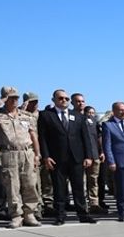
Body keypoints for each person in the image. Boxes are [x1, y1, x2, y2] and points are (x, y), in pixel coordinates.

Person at [36, 89, 98, 225]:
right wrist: (46, 157)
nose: (64, 101)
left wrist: (89, 156)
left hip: (76, 158)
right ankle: (60, 215)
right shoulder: (46, 115)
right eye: (61, 98)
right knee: (59, 188)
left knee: (78, 187)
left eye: (66, 99)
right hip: (57, 158)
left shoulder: (77, 115)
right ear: (53, 100)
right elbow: (43, 138)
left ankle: (83, 214)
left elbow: (85, 137)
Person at [0, 87, 43, 228]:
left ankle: (29, 214)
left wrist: (37, 154)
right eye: (10, 98)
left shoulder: (26, 115)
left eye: (16, 98)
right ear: (4, 99)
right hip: (9, 153)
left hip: (27, 152)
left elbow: (33, 135)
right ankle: (16, 215)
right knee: (13, 186)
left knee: (30, 184)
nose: (14, 100)